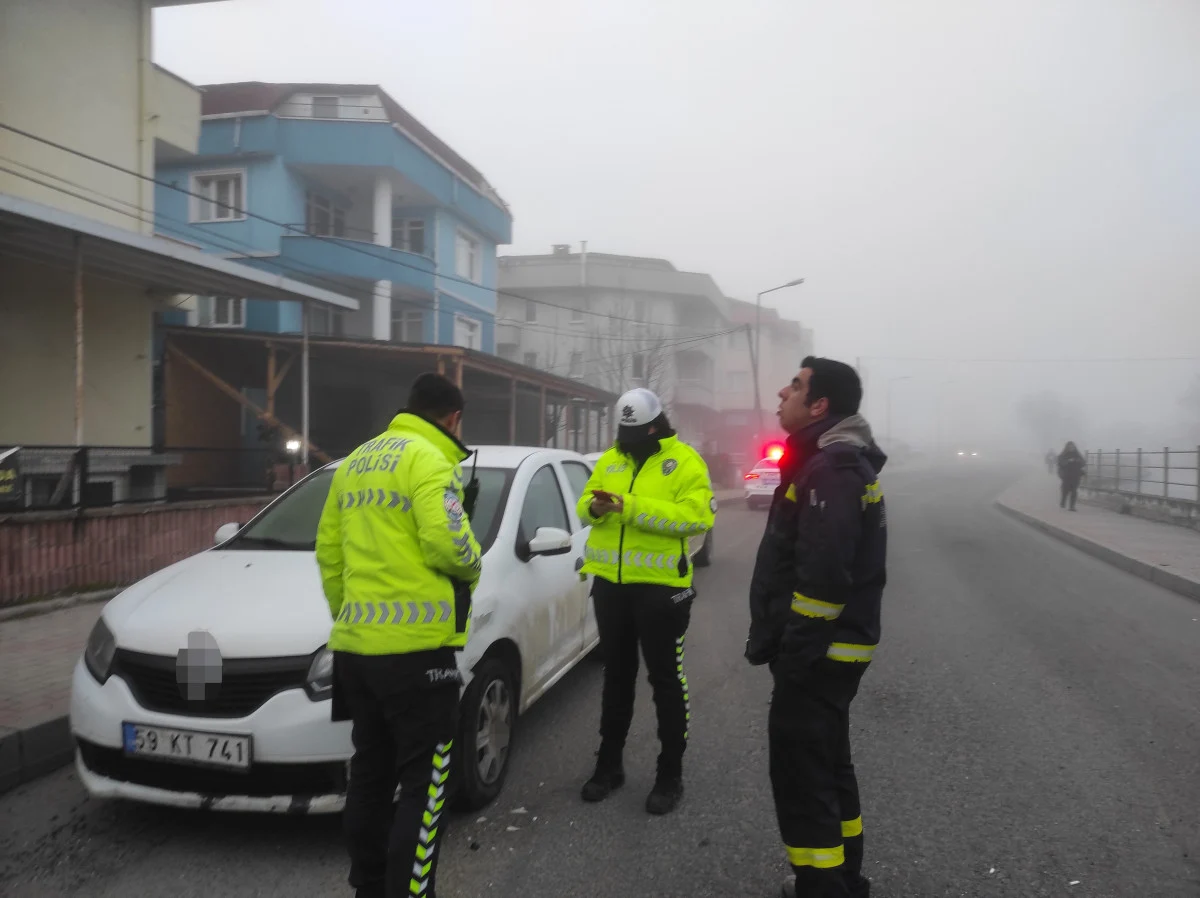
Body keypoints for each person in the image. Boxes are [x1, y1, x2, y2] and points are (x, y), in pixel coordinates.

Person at [315, 372, 483, 898]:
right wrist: (474, 562)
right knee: (426, 786)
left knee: (368, 776)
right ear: (452, 418)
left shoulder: (356, 462)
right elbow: (448, 544)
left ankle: (367, 887)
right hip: (417, 657)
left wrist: (355, 618)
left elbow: (329, 555)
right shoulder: (430, 461)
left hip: (357, 654)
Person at [745, 357, 887, 898]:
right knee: (829, 765)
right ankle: (846, 879)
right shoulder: (829, 465)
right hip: (830, 656)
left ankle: (822, 888)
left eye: (796, 386)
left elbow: (824, 581)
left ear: (820, 404)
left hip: (818, 659)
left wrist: (795, 657)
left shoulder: (831, 470)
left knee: (804, 778)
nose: (783, 392)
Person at [576, 387, 715, 815]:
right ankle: (609, 765)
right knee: (616, 678)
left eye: (633, 431)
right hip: (611, 587)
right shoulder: (611, 459)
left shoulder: (686, 463)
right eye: (622, 430)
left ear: (655, 426)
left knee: (666, 682)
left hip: (661, 592)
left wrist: (629, 506)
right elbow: (584, 506)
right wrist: (596, 509)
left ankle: (670, 774)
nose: (625, 438)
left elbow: (697, 518)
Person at [1057, 441, 1086, 511]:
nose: (1071, 448)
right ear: (1067, 447)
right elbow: (1060, 463)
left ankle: (1072, 506)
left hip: (1076, 475)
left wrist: (1078, 461)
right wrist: (1068, 461)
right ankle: (1063, 501)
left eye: (1072, 447)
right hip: (1066, 475)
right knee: (1065, 489)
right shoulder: (1063, 455)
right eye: (1070, 447)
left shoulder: (1077, 454)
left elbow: (1083, 463)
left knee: (1074, 490)